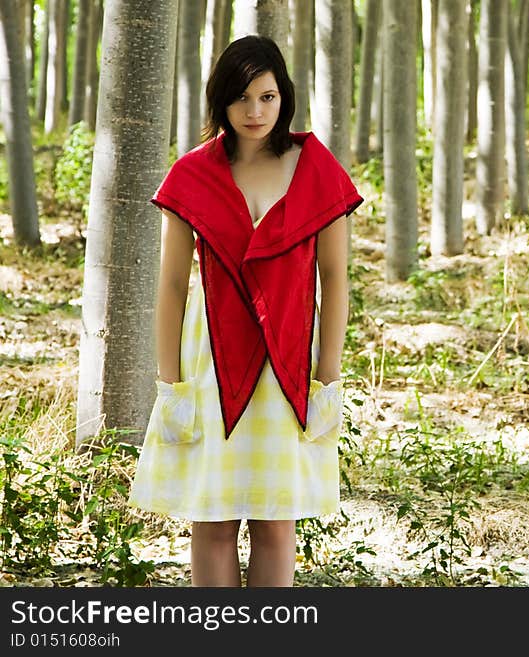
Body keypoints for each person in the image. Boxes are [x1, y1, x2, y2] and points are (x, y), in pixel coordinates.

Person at [127, 34, 363, 587]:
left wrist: (328, 377)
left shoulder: (317, 170)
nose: (255, 112)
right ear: (220, 101)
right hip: (209, 360)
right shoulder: (192, 174)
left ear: (285, 98)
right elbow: (170, 287)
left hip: (288, 361)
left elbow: (335, 278)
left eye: (268, 96)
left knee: (277, 522)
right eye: (241, 99)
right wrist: (170, 384)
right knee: (211, 520)